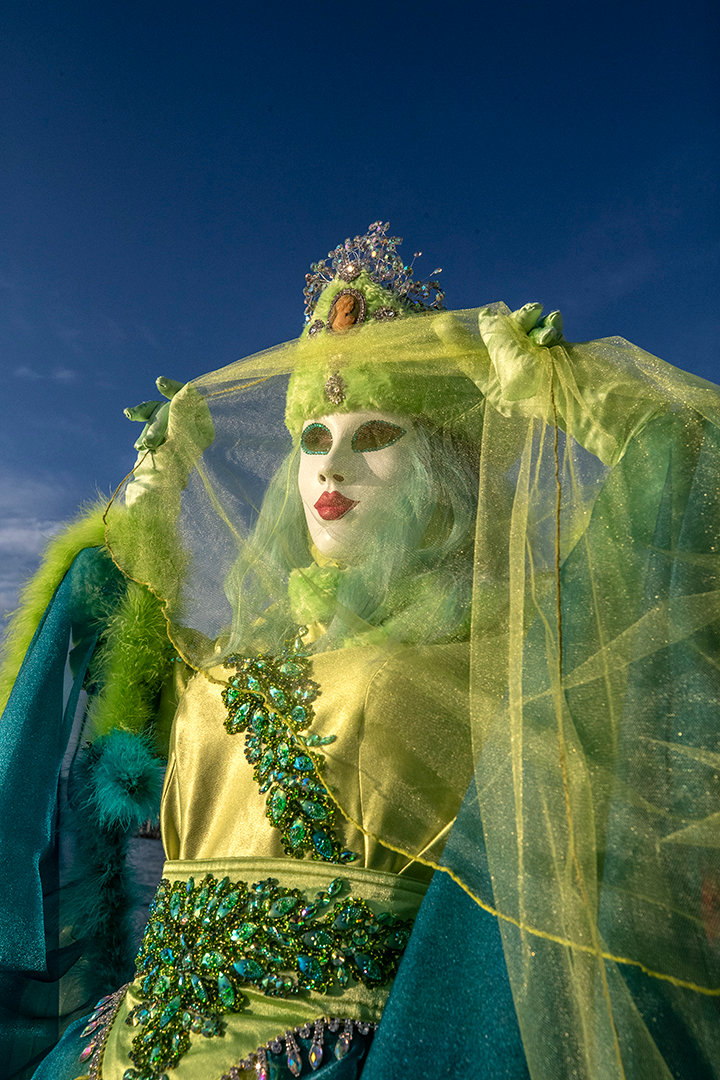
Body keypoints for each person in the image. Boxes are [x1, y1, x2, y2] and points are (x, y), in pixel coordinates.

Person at [2, 223, 719, 1079]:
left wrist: (582, 400)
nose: (332, 468)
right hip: (119, 1052)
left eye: (374, 435)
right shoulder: (237, 645)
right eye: (312, 438)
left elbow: (674, 502)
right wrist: (150, 500)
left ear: (439, 469)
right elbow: (106, 677)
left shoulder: (502, 646)